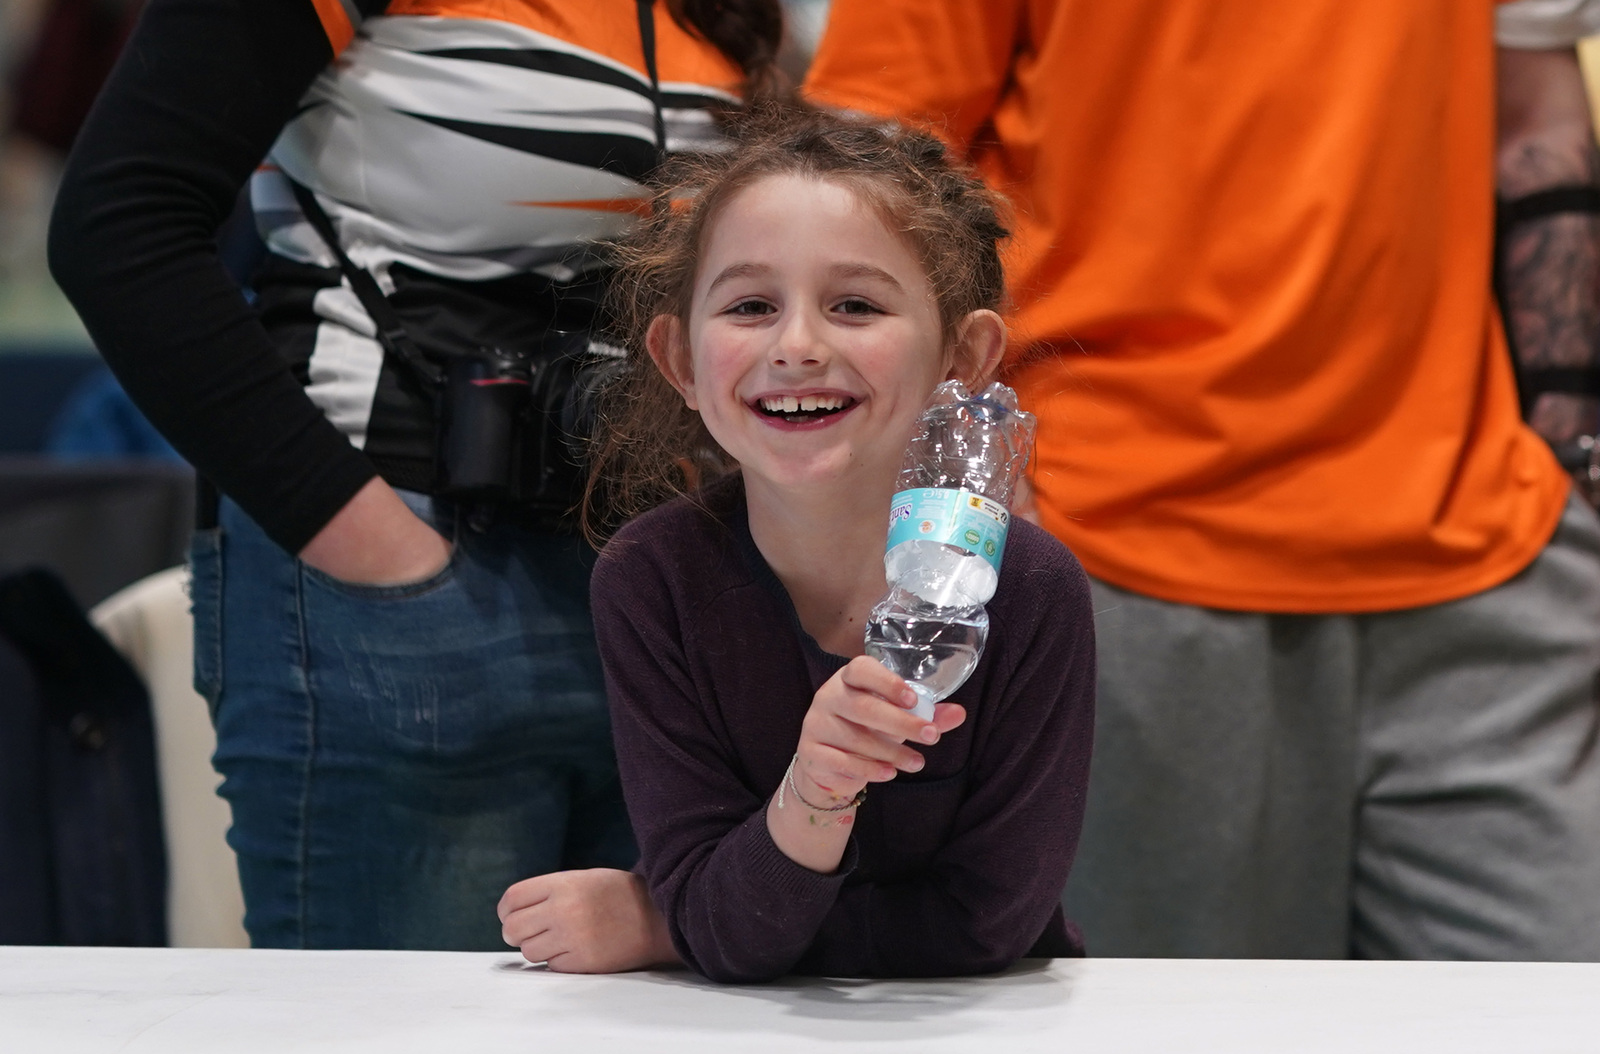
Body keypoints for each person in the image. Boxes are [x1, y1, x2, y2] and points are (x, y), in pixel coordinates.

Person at [804, 1, 1600, 960]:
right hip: (1113, 551)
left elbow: (1534, 128)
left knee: (1556, 1017)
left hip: (1484, 546)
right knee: (1164, 1023)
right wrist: (962, 482)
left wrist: (1571, 445)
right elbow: (877, 166)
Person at [47, 0, 782, 949]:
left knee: (650, 1014)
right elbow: (119, 225)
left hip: (644, 580)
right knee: (399, 1020)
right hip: (401, 555)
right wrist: (379, 554)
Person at [497, 107, 1096, 981]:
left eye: (855, 305)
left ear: (962, 358)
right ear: (681, 362)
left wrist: (668, 927)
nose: (799, 346)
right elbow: (718, 921)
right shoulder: (652, 580)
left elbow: (984, 927)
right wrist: (812, 795)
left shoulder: (1031, 591)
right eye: (750, 306)